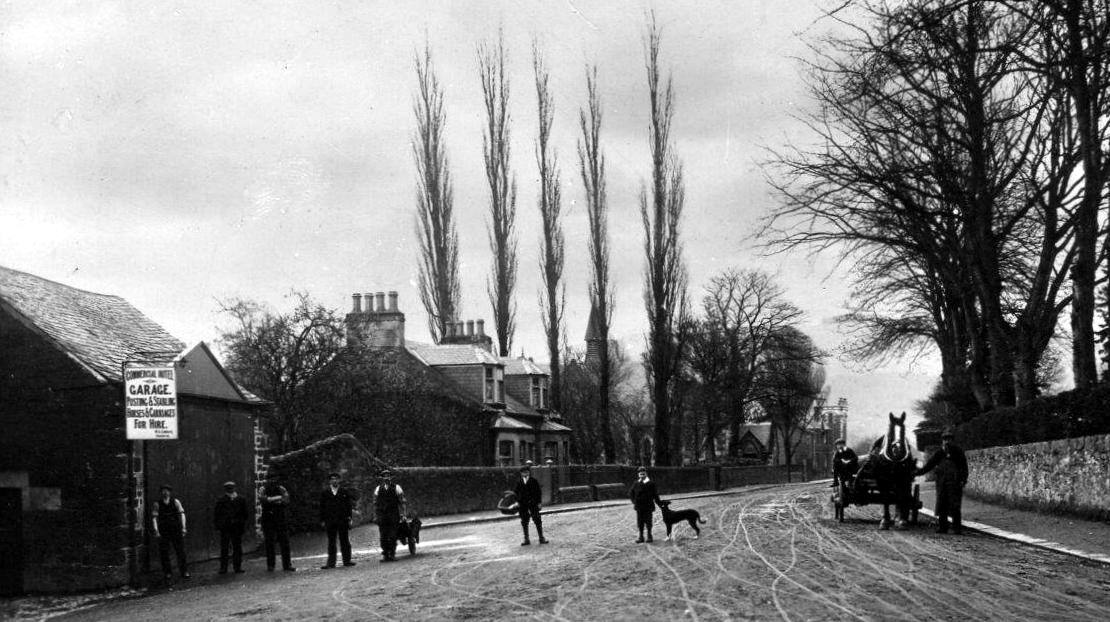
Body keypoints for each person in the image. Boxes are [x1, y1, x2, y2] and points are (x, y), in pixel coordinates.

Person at [916, 428, 969, 534]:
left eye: (949, 439)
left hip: (955, 482)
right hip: (941, 483)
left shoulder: (958, 452)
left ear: (952, 440)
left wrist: (963, 479)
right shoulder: (939, 453)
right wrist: (917, 472)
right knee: (942, 504)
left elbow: (964, 467)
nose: (947, 441)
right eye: (945, 439)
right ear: (942, 441)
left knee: (955, 505)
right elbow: (929, 465)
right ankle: (942, 527)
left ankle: (957, 528)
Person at [151, 484, 190, 581]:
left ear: (170, 492)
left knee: (180, 551)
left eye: (167, 490)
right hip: (164, 531)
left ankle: (184, 571)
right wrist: (156, 531)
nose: (165, 492)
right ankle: (167, 573)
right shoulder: (157, 504)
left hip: (175, 529)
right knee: (164, 553)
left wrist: (183, 528)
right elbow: (154, 518)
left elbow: (182, 515)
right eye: (163, 491)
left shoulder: (176, 502)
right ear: (161, 493)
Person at [319, 472, 356, 568]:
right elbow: (322, 507)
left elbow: (348, 506)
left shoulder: (344, 492)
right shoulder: (325, 493)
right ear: (329, 481)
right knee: (331, 541)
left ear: (339, 480)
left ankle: (347, 561)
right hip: (330, 521)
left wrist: (350, 518)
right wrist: (322, 520)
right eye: (332, 479)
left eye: (336, 479)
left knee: (344, 540)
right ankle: (331, 562)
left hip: (342, 520)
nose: (334, 480)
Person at [372, 469, 407, 562]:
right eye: (384, 476)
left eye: (388, 476)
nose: (386, 478)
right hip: (382, 516)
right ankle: (385, 554)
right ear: (382, 478)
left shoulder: (397, 488)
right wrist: (375, 516)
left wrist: (403, 514)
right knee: (383, 536)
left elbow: (402, 502)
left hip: (393, 515)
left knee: (392, 535)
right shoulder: (378, 489)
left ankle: (392, 554)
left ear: (391, 477)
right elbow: (375, 503)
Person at [214, 481, 249, 574]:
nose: (230, 491)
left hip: (237, 527)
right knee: (224, 547)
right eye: (228, 489)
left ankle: (237, 567)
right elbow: (217, 515)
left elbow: (245, 514)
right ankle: (223, 567)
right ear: (226, 490)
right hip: (226, 527)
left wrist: (241, 524)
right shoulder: (221, 500)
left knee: (237, 547)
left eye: (232, 488)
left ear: (235, 488)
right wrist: (219, 526)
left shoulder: (241, 499)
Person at [260, 481, 295, 572]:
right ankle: (271, 565)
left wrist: (270, 500)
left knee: (285, 542)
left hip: (281, 519)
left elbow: (286, 500)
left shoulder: (281, 488)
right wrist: (278, 499)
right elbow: (263, 500)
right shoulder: (263, 489)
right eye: (270, 479)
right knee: (269, 543)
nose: (272, 482)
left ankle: (287, 565)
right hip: (268, 519)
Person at [513, 463, 547, 546]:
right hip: (523, 504)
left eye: (526, 472)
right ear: (521, 473)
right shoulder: (519, 482)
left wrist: (539, 503)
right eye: (523, 472)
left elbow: (538, 492)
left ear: (529, 472)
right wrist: (517, 501)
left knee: (537, 520)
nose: (525, 474)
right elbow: (516, 493)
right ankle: (526, 539)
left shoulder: (533, 481)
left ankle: (541, 538)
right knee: (524, 521)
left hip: (533, 503)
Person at [629, 467, 661, 543]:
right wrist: (634, 501)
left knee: (648, 521)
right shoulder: (636, 483)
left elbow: (655, 495)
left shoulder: (651, 483)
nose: (642, 475)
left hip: (648, 506)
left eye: (643, 473)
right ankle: (641, 537)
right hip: (639, 506)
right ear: (638, 474)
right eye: (640, 473)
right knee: (640, 522)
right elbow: (631, 493)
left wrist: (659, 503)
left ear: (646, 474)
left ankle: (649, 536)